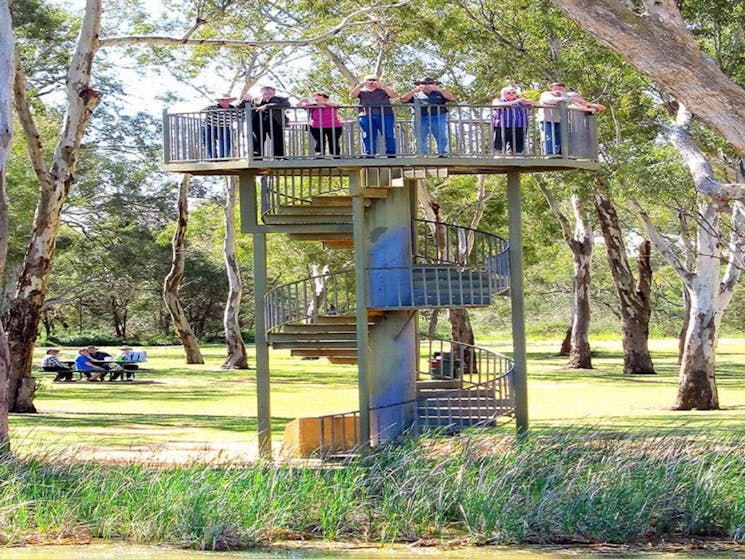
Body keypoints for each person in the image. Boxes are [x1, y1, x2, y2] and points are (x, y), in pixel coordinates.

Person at [537, 82, 605, 155]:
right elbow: (550, 100)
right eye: (557, 87)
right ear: (551, 88)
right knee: (548, 137)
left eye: (561, 87)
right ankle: (549, 154)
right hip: (547, 119)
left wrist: (590, 108)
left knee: (559, 138)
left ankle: (557, 153)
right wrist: (565, 99)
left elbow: (576, 104)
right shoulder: (546, 94)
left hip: (559, 120)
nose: (559, 88)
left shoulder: (567, 96)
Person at [400, 77, 456, 156]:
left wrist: (439, 89)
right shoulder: (415, 94)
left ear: (434, 84)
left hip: (438, 116)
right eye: (423, 83)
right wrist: (415, 90)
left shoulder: (440, 93)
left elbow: (452, 98)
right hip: (420, 117)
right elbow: (403, 99)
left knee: (441, 135)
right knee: (419, 136)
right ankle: (421, 154)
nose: (426, 85)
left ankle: (442, 153)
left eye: (430, 83)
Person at [350, 74, 398, 157]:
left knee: (389, 134)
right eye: (369, 80)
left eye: (374, 80)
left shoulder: (383, 90)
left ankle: (391, 153)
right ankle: (370, 153)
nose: (372, 82)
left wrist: (384, 86)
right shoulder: (361, 91)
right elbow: (352, 95)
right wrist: (360, 85)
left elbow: (394, 95)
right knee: (368, 135)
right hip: (366, 116)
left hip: (385, 115)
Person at [241, 85, 291, 158]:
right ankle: (257, 157)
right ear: (261, 93)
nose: (267, 96)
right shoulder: (255, 99)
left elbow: (286, 105)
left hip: (275, 122)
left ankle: (279, 157)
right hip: (258, 123)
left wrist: (267, 106)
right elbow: (240, 106)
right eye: (265, 94)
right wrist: (245, 100)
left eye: (270, 94)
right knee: (257, 140)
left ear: (274, 93)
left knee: (277, 140)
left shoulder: (281, 99)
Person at [491, 86, 538, 155]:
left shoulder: (520, 102)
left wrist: (528, 101)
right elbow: (497, 105)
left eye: (513, 92)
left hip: (520, 125)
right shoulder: (499, 100)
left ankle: (515, 157)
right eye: (508, 93)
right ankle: (499, 158)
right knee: (500, 144)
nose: (511, 94)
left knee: (518, 145)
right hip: (503, 125)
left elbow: (537, 104)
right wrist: (515, 102)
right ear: (503, 94)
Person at [298, 92, 344, 157]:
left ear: (325, 98)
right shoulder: (312, 106)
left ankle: (335, 155)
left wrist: (323, 103)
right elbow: (299, 105)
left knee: (333, 140)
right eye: (315, 97)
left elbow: (337, 105)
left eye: (320, 97)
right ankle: (319, 154)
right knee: (319, 141)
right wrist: (303, 100)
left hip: (333, 126)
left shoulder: (330, 104)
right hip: (317, 126)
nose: (317, 99)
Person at [202, 93, 237, 159]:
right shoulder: (212, 107)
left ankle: (223, 158)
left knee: (226, 141)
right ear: (219, 101)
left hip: (224, 126)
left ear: (230, 101)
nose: (224, 101)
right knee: (208, 141)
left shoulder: (234, 109)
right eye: (222, 100)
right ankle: (213, 158)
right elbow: (202, 111)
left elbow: (242, 116)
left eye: (227, 100)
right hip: (209, 126)